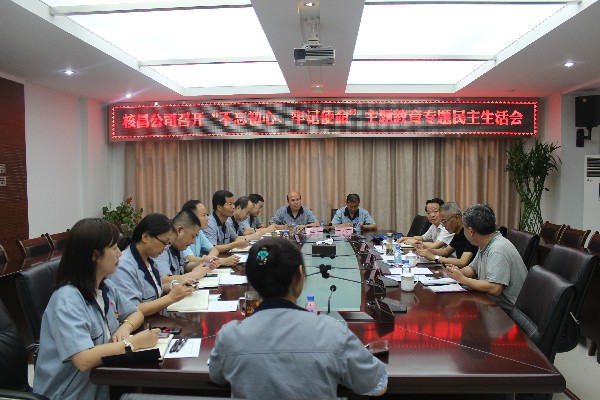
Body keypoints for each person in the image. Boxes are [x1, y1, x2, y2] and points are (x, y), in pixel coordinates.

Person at [209, 237, 387, 398]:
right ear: (300, 275)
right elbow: (377, 385)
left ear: (251, 280)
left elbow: (217, 377)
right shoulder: (332, 332)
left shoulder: (229, 336)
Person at [33, 218, 160, 399]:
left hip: (104, 384)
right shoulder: (67, 301)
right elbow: (84, 359)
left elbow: (135, 312)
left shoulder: (105, 286)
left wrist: (125, 328)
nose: (120, 253)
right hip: (71, 395)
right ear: (95, 255)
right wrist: (133, 343)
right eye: (114, 248)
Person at [444, 204, 527, 313]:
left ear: (471, 231)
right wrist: (458, 272)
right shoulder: (485, 242)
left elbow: (494, 288)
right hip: (490, 303)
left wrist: (462, 279)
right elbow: (473, 269)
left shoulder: (497, 249)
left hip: (508, 312)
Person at [108, 213, 195, 316]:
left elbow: (153, 290)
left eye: (168, 244)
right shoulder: (123, 266)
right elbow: (133, 310)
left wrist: (176, 285)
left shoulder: (149, 259)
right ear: (145, 237)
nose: (165, 248)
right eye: (164, 243)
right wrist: (171, 297)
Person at [153, 210, 217, 286]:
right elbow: (164, 280)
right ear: (180, 230)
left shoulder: (178, 245)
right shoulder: (162, 246)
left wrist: (202, 263)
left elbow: (184, 266)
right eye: (193, 236)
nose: (193, 242)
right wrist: (193, 275)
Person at [415, 202, 478, 267]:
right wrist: (426, 251)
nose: (443, 225)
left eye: (444, 221)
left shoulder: (469, 232)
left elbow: (462, 262)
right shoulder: (458, 232)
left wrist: (434, 257)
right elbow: (445, 251)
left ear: (456, 217)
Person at [181, 200, 241, 267]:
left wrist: (210, 259)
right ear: (191, 217)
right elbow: (190, 259)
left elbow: (214, 249)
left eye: (207, 215)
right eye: (204, 215)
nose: (207, 218)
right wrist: (219, 261)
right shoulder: (183, 233)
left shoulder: (199, 232)